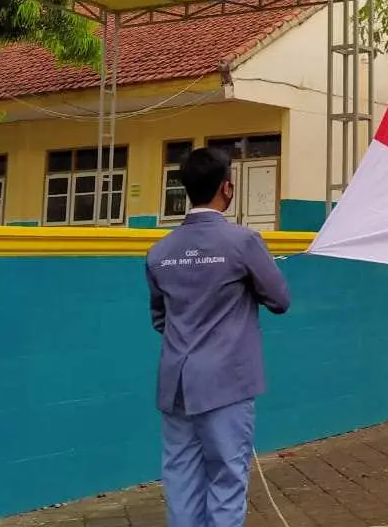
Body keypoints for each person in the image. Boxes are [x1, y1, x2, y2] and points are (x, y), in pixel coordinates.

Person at [145, 147, 292, 527]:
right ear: (227, 188)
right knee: (226, 482)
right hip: (227, 384)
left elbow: (161, 318)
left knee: (180, 483)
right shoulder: (243, 242)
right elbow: (279, 299)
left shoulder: (159, 251)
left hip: (176, 384)